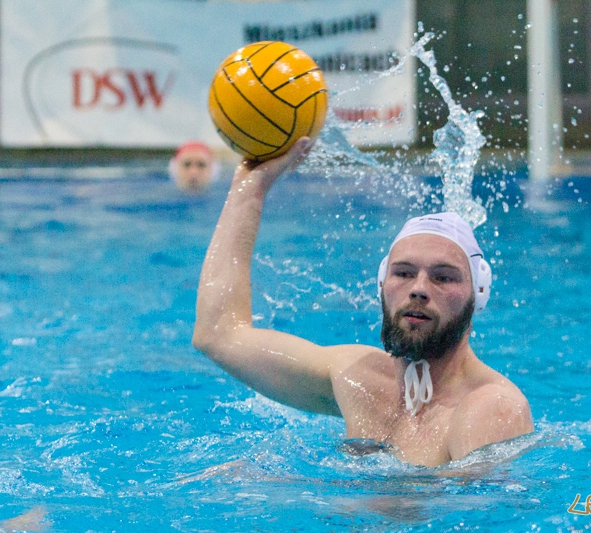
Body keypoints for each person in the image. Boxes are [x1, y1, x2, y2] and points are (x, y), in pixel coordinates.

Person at [193, 137, 533, 467]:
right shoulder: (358, 378)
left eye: (443, 277)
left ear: (478, 295)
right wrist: (250, 187)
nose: (418, 289)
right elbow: (218, 335)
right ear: (381, 284)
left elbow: (467, 507)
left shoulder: (490, 409)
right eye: (403, 273)